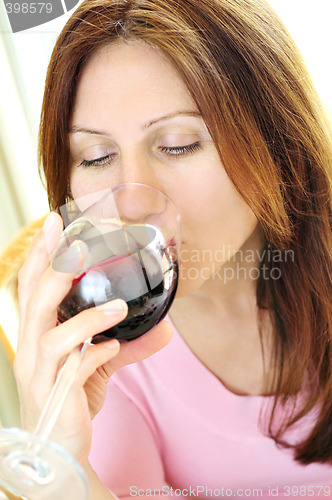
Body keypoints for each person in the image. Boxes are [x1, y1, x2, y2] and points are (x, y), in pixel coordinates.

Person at [12, 0, 332, 498]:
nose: (132, 202)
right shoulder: (108, 354)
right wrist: (63, 471)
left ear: (278, 141)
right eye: (96, 157)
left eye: (179, 145)